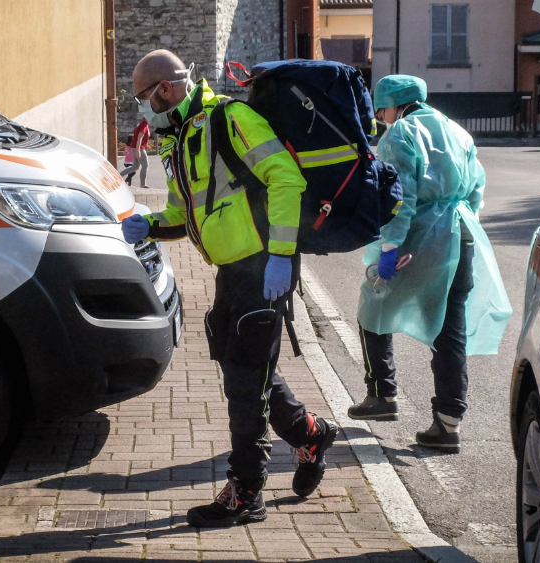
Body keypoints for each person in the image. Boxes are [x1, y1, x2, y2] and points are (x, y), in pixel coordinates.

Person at [120, 50, 337, 528]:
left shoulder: (230, 119)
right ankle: (312, 435)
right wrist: (148, 224)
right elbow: (183, 215)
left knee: (244, 384)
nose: (142, 108)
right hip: (232, 272)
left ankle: (246, 492)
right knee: (245, 370)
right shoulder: (180, 139)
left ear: (167, 88)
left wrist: (280, 255)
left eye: (143, 97)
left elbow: (285, 177)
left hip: (263, 267)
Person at [348, 75, 512, 454]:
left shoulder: (400, 134)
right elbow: (476, 191)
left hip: (419, 237)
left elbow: (399, 196)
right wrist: (458, 221)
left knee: (373, 304)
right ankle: (448, 421)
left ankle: (382, 394)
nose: (382, 116)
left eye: (382, 108)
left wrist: (390, 247)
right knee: (450, 327)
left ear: (393, 105)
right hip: (461, 234)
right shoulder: (457, 130)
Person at [121, 119, 150, 188]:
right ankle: (143, 184)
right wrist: (138, 150)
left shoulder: (141, 123)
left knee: (135, 166)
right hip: (139, 148)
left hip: (133, 147)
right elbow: (139, 138)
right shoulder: (144, 124)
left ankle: (119, 175)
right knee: (145, 165)